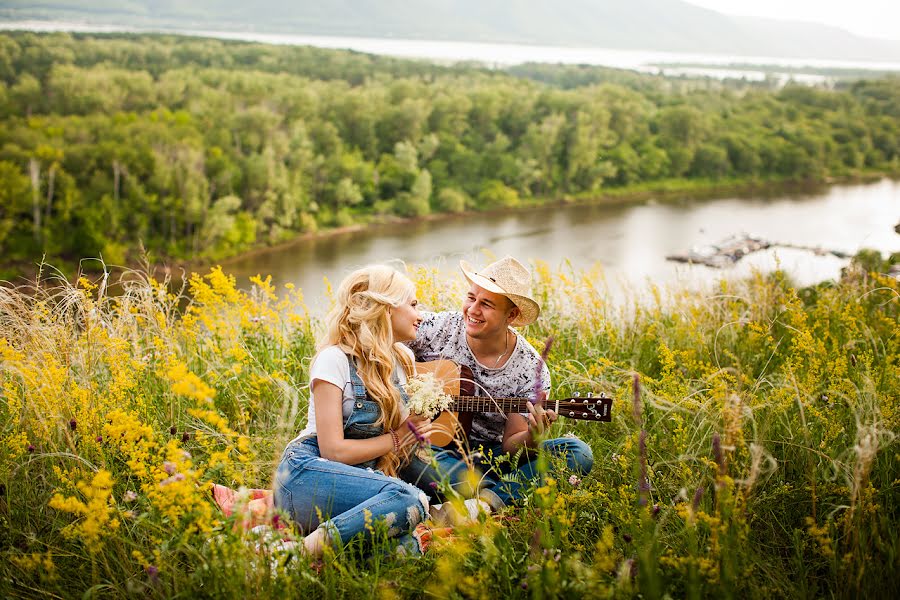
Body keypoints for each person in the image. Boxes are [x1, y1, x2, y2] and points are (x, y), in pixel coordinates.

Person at [401, 256, 594, 507]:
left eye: (487, 304)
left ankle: (477, 501)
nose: (473, 310)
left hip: (492, 458)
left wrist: (533, 437)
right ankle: (493, 500)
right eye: (471, 298)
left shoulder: (530, 369)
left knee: (577, 452)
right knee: (406, 451)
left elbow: (511, 446)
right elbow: (379, 340)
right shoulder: (436, 328)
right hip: (433, 448)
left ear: (511, 315)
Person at [272, 265, 435, 557]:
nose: (420, 315)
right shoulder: (333, 360)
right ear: (385, 309)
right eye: (412, 304)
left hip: (354, 485)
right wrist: (399, 437)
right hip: (306, 473)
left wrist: (417, 430)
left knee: (406, 549)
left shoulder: (402, 360)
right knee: (409, 499)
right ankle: (292, 558)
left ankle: (305, 548)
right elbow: (333, 451)